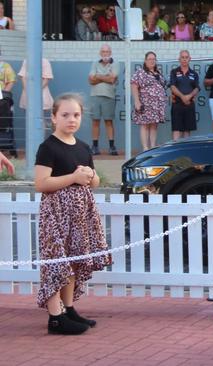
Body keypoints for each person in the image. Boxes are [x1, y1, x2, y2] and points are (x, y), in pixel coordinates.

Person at [34, 93, 111, 335]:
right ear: (54, 117)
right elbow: (41, 183)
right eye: (65, 115)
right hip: (57, 215)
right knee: (57, 262)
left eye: (76, 115)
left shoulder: (83, 147)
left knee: (74, 262)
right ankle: (55, 317)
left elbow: (95, 182)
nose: (71, 120)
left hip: (79, 215)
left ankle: (68, 309)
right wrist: (73, 178)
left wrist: (90, 175)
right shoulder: (48, 147)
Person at [131, 52, 167, 151]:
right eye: (150, 59)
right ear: (145, 60)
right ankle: (145, 148)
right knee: (145, 125)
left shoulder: (158, 73)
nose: (152, 61)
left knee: (154, 125)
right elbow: (134, 86)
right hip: (145, 103)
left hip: (157, 105)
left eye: (154, 59)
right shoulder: (140, 72)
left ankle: (152, 147)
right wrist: (137, 101)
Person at [88, 44, 119, 156]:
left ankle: (111, 146)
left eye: (107, 51)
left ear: (110, 52)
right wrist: (105, 77)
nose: (105, 53)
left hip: (109, 96)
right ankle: (95, 146)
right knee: (95, 121)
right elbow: (91, 80)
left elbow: (112, 79)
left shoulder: (115, 63)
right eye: (103, 51)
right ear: (100, 53)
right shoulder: (95, 63)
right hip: (95, 95)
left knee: (108, 121)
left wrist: (98, 76)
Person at [18, 58, 54, 136]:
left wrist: (35, 91)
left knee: (40, 119)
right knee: (29, 120)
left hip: (41, 94)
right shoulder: (26, 61)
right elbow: (23, 77)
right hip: (27, 94)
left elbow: (47, 79)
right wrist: (27, 90)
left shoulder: (45, 62)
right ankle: (30, 144)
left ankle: (40, 142)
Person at [169, 50, 200, 140]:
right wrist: (183, 97)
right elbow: (172, 86)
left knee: (187, 130)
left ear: (190, 59)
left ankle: (184, 151)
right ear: (179, 59)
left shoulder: (194, 74)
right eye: (182, 57)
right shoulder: (174, 72)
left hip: (189, 104)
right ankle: (176, 150)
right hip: (177, 104)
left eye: (186, 57)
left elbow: (197, 88)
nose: (184, 59)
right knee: (176, 129)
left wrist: (189, 96)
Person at [0, 49, 16, 158]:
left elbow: (11, 81)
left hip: (2, 101)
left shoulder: (5, 66)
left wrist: (3, 95)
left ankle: (8, 149)